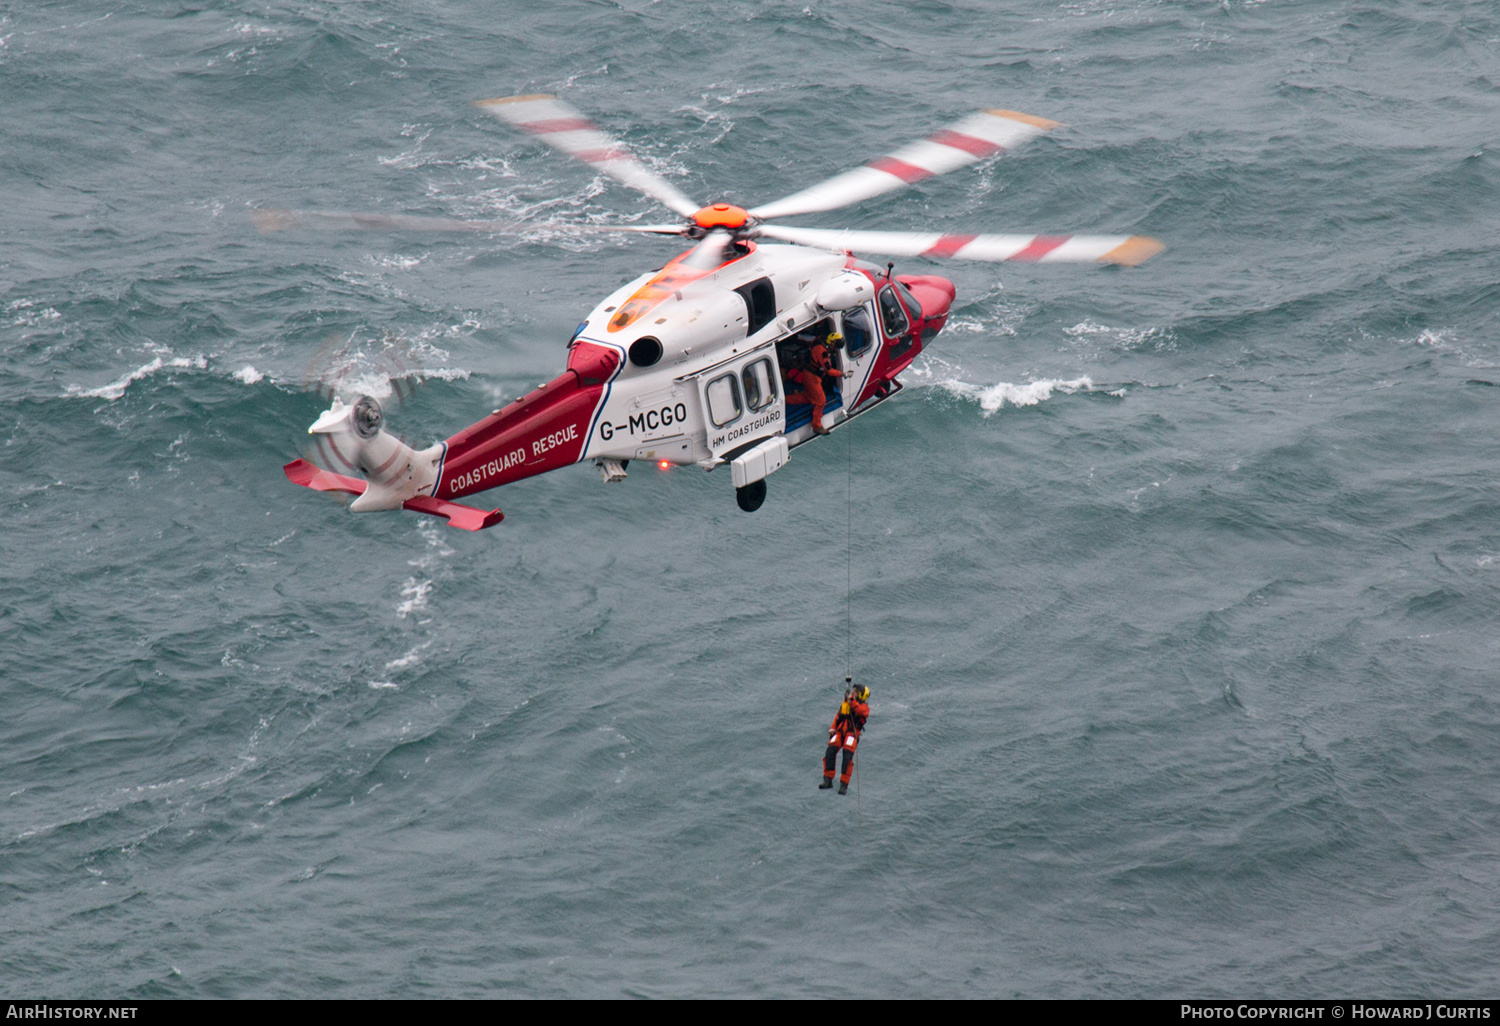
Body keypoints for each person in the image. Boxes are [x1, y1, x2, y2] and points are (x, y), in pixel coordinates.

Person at [821, 680, 869, 794]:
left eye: (856, 692)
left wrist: (851, 700)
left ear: (861, 695)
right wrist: (832, 728)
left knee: (847, 756)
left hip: (851, 734)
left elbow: (860, 711)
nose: (853, 693)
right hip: (839, 732)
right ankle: (827, 779)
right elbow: (838, 716)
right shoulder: (846, 704)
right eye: (854, 691)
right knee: (830, 751)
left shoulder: (864, 707)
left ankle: (844, 785)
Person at [784, 353, 833, 435]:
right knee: (821, 401)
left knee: (805, 397)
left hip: (809, 378)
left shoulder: (817, 355)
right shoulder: (820, 355)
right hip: (811, 379)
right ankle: (817, 426)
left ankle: (785, 400)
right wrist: (842, 374)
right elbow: (830, 371)